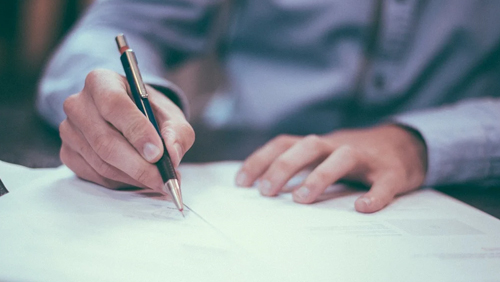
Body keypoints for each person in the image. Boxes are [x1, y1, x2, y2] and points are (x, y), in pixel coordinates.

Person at [37, 0, 500, 213]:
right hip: (247, 168)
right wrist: (116, 103)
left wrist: (420, 142)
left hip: (460, 186)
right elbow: (118, 24)